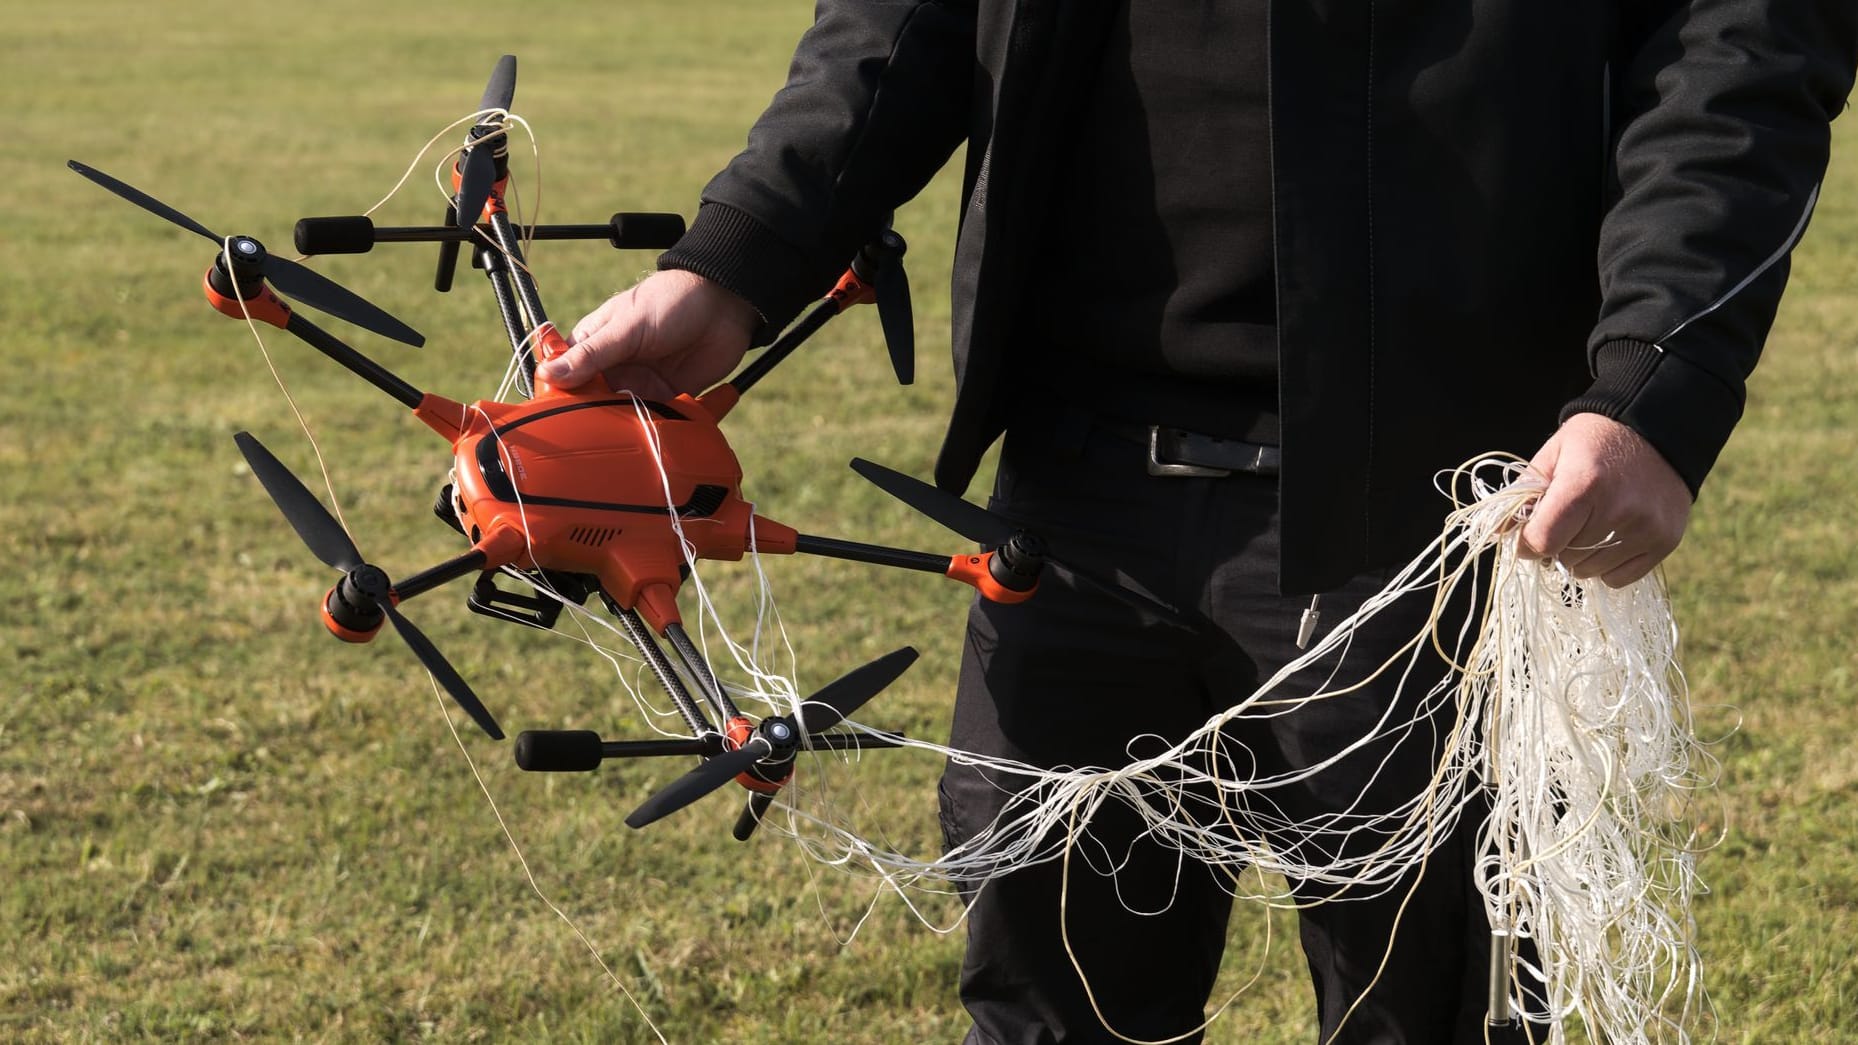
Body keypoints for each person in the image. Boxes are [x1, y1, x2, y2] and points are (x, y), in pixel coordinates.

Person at [540, 4, 1857, 1042]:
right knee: (1046, 1004)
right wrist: (738, 255)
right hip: (1073, 497)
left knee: (1432, 1010)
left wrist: (1656, 379)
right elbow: (908, 18)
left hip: (1437, 510)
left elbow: (1739, 42)